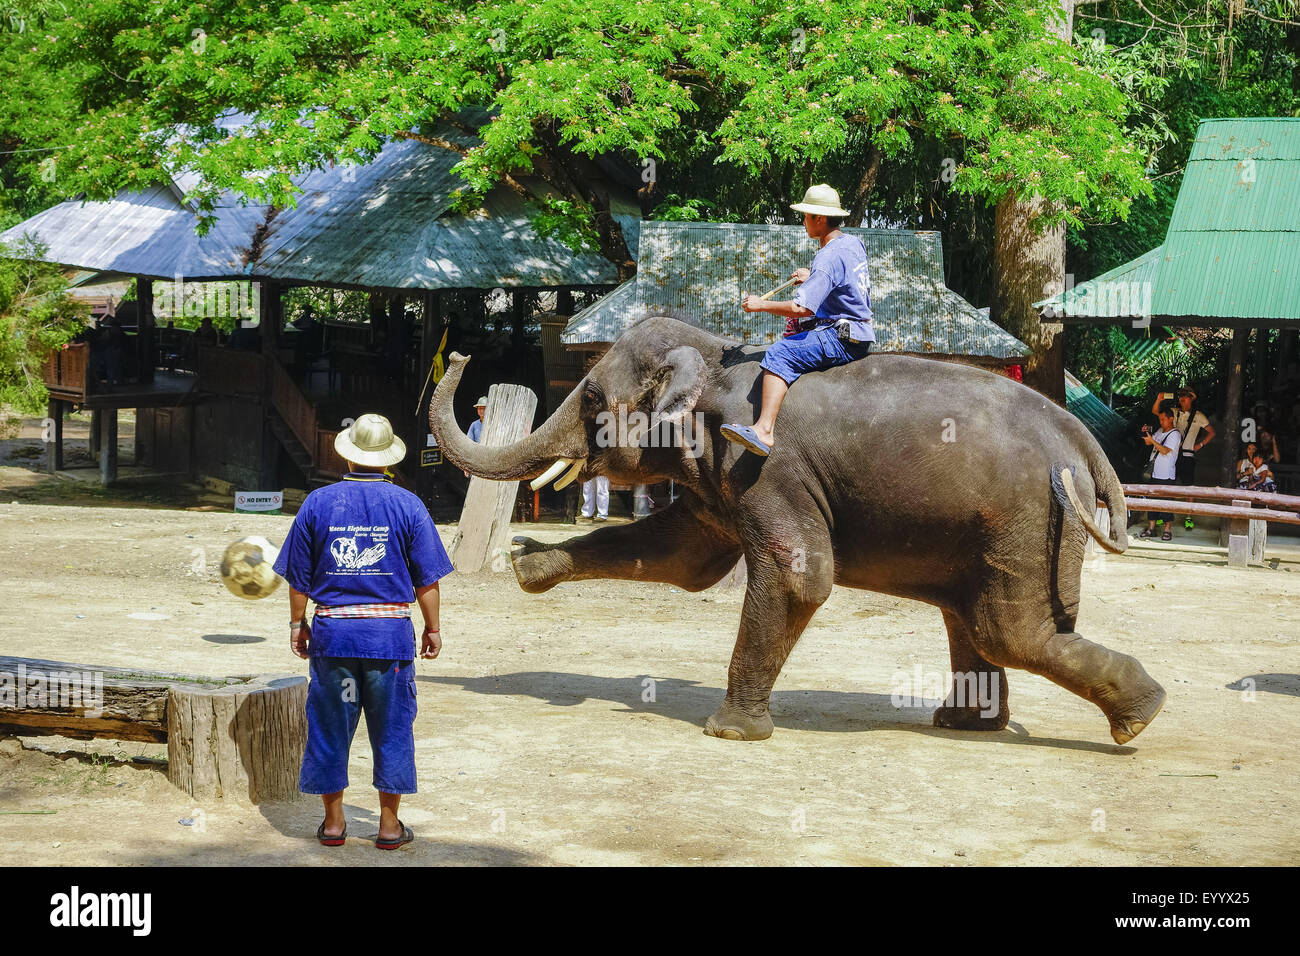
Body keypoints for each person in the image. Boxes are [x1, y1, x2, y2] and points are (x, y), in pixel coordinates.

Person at [273, 413, 453, 850]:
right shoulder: (409, 505)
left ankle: (333, 825)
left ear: (348, 455)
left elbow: (299, 577)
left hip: (333, 638)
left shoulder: (318, 502)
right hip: (388, 640)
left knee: (329, 727)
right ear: (388, 460)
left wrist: (298, 624)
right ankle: (389, 827)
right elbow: (426, 581)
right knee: (392, 729)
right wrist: (433, 628)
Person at [721, 184, 874, 457]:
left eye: (806, 216)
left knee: (781, 352)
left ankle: (764, 430)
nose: (803, 221)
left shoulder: (827, 257)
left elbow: (801, 308)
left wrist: (761, 304)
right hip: (860, 331)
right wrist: (814, 277)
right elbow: (844, 280)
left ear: (819, 219)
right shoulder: (852, 243)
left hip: (841, 336)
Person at [1151, 386, 1215, 529]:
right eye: (1181, 395)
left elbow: (1211, 432)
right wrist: (1159, 399)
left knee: (1189, 487)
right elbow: (1156, 412)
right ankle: (1163, 514)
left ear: (1192, 398)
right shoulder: (1174, 412)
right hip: (1171, 455)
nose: (1182, 398)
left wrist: (1200, 445)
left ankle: (1188, 517)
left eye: (1186, 395)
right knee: (1168, 486)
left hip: (1187, 455)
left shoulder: (1198, 416)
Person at [1139, 408, 1182, 541]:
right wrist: (1146, 433)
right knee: (1152, 502)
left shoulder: (1175, 434)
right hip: (1154, 473)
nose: (1161, 422)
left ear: (1171, 419)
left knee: (1166, 503)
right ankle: (1151, 528)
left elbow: (1164, 451)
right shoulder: (1159, 431)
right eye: (1160, 419)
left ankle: (1167, 529)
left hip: (1166, 475)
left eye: (1163, 419)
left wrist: (1152, 441)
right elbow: (1148, 442)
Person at [463, 396, 487, 478]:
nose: (480, 410)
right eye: (479, 408)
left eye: (483, 408)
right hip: (477, 461)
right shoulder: (474, 425)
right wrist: (467, 466)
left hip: (490, 461)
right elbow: (468, 446)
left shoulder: (495, 424)